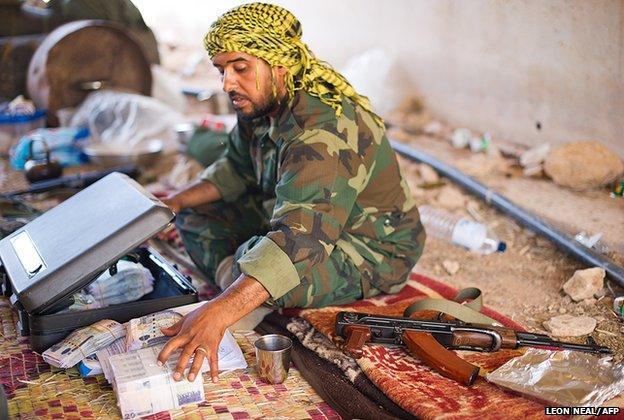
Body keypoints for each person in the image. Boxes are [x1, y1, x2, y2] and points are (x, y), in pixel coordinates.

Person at [157, 2, 426, 383]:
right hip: (302, 221)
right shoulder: (260, 102)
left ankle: (239, 283)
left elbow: (300, 241)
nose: (227, 84)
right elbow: (236, 167)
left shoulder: (321, 131)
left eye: (240, 67)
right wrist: (172, 202)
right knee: (194, 214)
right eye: (221, 70)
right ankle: (238, 278)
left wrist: (219, 311)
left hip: (371, 247)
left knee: (269, 266)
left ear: (278, 63)